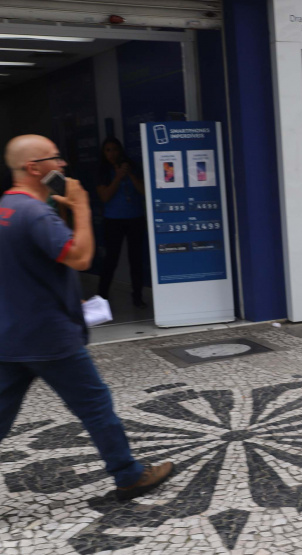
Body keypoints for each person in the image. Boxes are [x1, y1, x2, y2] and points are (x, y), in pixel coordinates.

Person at [0, 135, 173, 501]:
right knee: (95, 406)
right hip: (50, 337)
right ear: (34, 168)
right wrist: (80, 206)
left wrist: (58, 289)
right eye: (56, 158)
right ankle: (129, 476)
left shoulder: (6, 208)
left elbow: (24, 267)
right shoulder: (36, 213)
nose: (63, 165)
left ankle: (127, 472)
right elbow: (80, 257)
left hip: (11, 335)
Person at [96, 137, 147, 308]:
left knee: (136, 259)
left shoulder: (132, 166)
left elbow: (143, 191)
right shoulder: (103, 170)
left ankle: (138, 297)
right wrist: (118, 177)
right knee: (111, 260)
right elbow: (105, 196)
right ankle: (102, 298)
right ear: (104, 153)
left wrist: (130, 174)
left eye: (115, 149)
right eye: (108, 150)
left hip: (135, 218)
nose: (112, 154)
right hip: (113, 220)